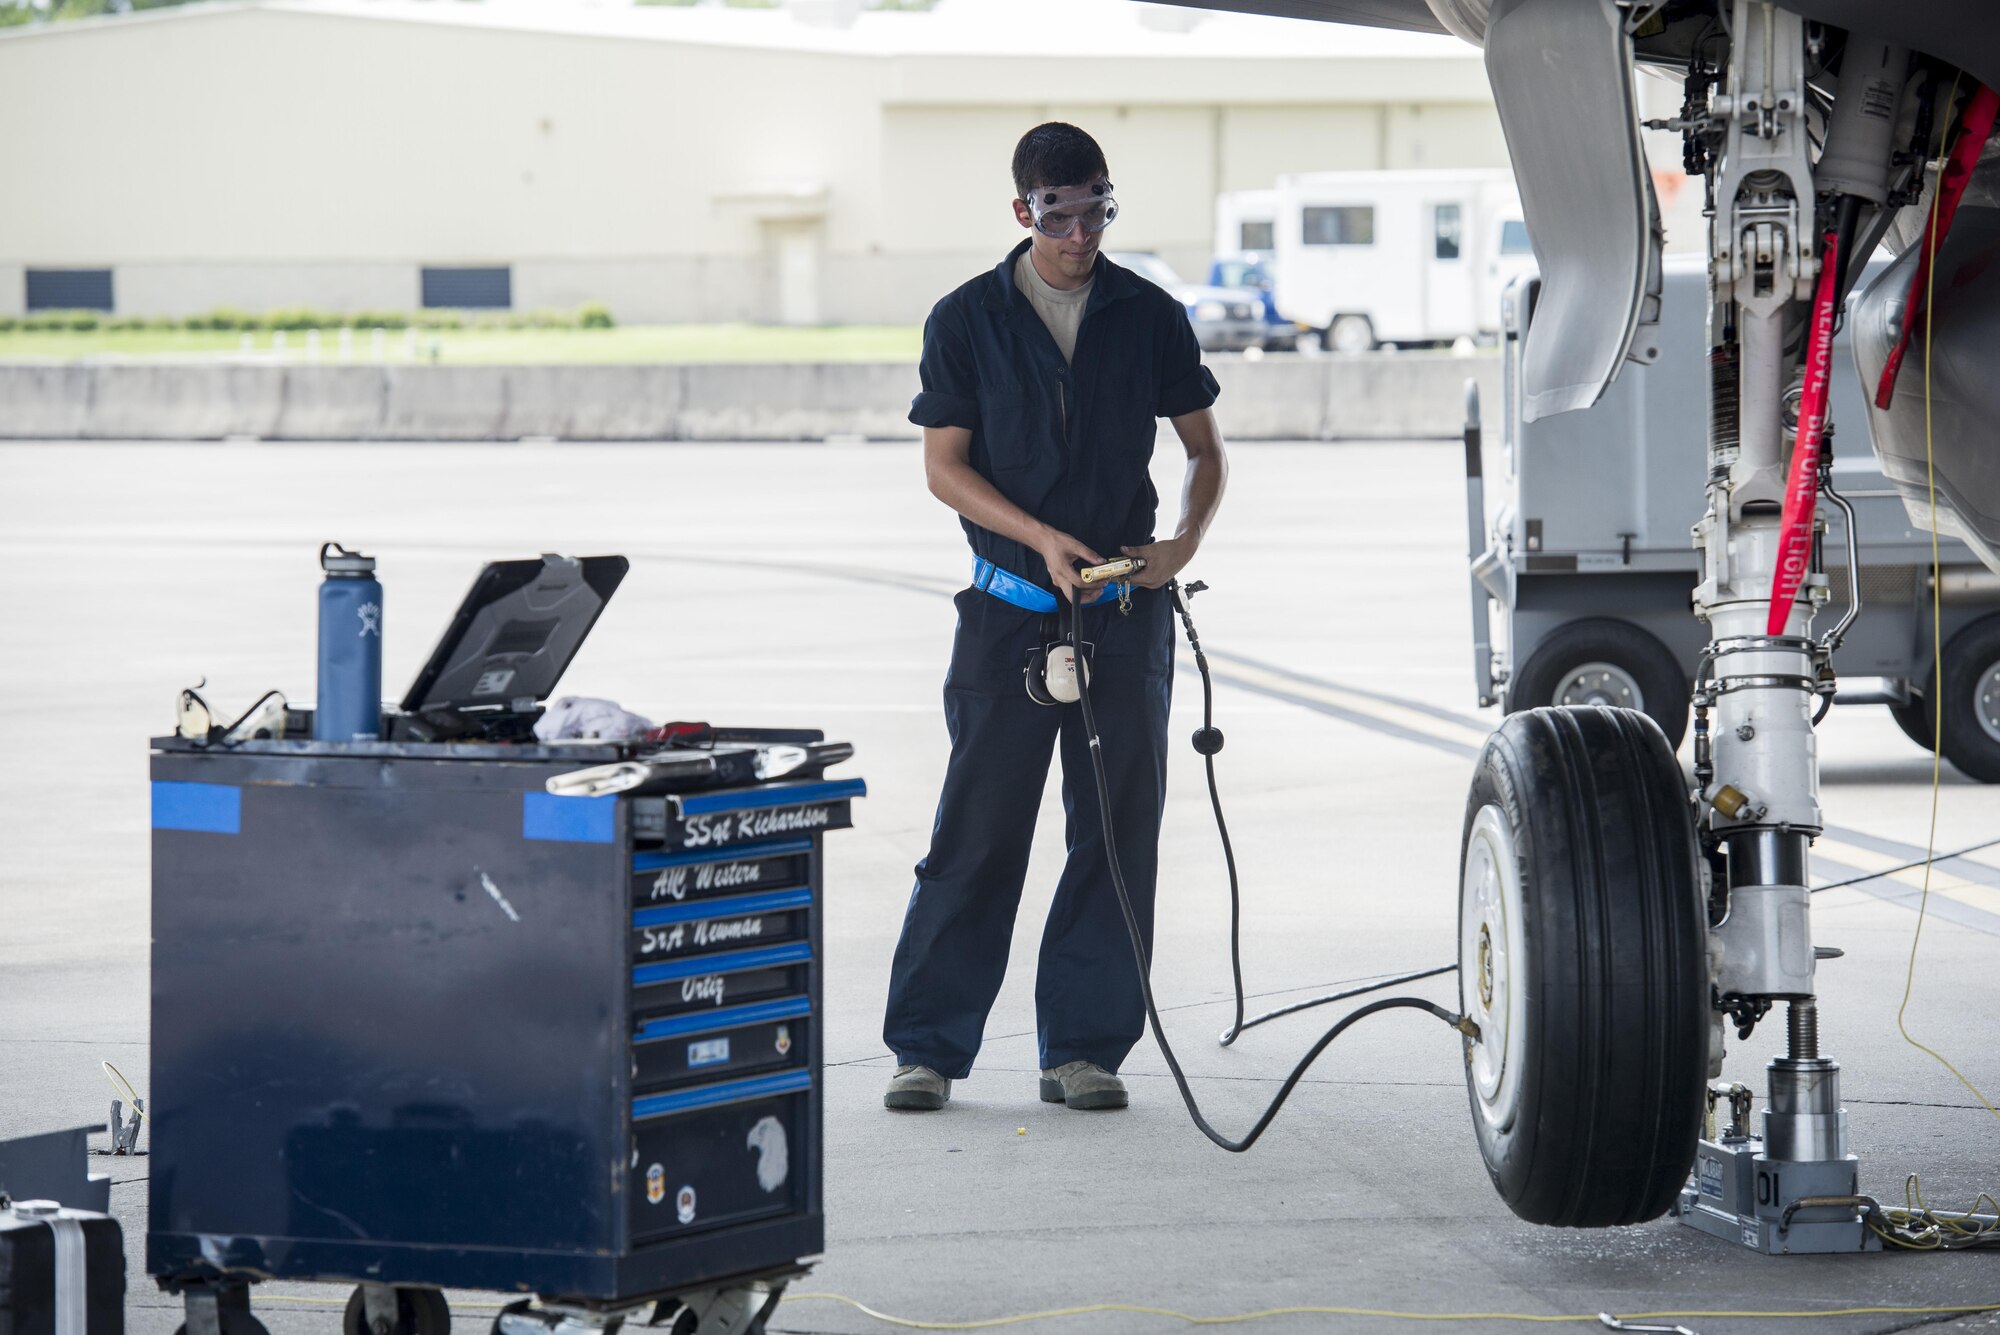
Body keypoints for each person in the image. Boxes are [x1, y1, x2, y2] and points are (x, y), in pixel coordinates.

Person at [881, 122, 1228, 1113]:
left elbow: (1203, 451)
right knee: (975, 835)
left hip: (1123, 616)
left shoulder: (1149, 315)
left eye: (1094, 210)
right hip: (1007, 618)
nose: (1078, 233)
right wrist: (1035, 536)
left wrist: (1182, 548)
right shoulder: (967, 318)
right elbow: (942, 467)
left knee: (1115, 836)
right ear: (1022, 211)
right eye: (1056, 213)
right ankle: (927, 1049)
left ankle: (1081, 1051)